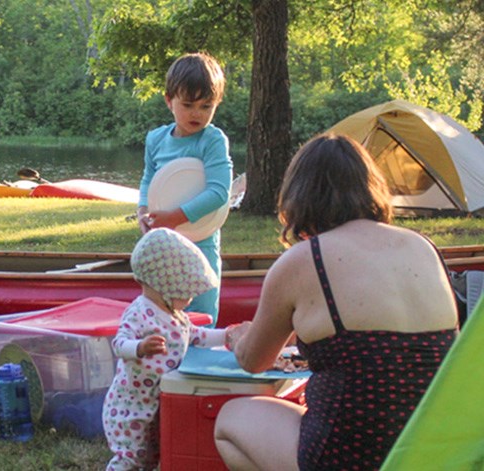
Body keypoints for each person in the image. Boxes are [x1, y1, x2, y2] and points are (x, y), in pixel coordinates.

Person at [213, 134, 459, 470]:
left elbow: (253, 361)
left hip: (351, 457)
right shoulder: (424, 248)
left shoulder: (304, 260)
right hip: (429, 453)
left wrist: (238, 336)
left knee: (231, 420)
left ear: (298, 196)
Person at [102, 228, 245, 471]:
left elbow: (196, 336)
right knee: (131, 457)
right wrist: (139, 347)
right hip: (131, 406)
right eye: (186, 293)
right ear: (164, 286)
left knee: (155, 455)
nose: (190, 299)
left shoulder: (175, 314)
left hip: (159, 403)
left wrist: (227, 335)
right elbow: (119, 343)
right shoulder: (139, 312)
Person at [136, 52, 233, 324]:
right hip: (163, 243)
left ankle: (200, 363)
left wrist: (175, 217)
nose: (197, 114)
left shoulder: (212, 140)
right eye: (188, 104)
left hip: (200, 240)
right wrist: (144, 210)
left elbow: (218, 193)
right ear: (169, 100)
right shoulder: (156, 139)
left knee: (201, 317)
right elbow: (148, 180)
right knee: (162, 316)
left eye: (206, 106)